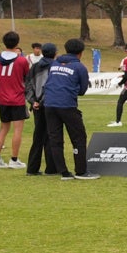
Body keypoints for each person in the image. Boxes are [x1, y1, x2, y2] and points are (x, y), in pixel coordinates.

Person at [39, 38, 96, 180]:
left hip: (49, 104)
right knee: (78, 137)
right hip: (67, 105)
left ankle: (63, 172)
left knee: (55, 139)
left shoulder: (54, 64)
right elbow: (82, 90)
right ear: (81, 52)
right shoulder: (80, 67)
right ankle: (81, 171)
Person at [0, 32, 29, 168]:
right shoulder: (22, 60)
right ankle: (14, 159)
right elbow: (26, 76)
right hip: (17, 98)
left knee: (3, 129)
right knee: (18, 130)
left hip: (3, 98)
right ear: (17, 43)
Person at [23, 43, 55, 175]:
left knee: (38, 137)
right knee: (51, 136)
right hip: (50, 105)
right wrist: (41, 101)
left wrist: (33, 101)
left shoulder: (35, 67)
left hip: (36, 106)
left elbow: (28, 85)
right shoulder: (55, 66)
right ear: (54, 53)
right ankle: (52, 168)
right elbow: (52, 86)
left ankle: (32, 168)